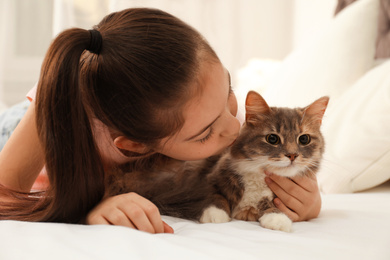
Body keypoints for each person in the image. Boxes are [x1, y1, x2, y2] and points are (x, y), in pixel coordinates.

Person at [0, 8, 321, 234]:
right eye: (206, 132)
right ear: (136, 146)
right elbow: (5, 200)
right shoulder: (56, 114)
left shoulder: (211, 112)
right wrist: (86, 213)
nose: (233, 127)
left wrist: (308, 201)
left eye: (229, 92)